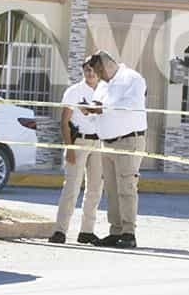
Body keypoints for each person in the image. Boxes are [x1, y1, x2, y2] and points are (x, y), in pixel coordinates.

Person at [81, 50, 147, 249]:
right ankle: (115, 231)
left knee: (126, 187)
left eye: (99, 71)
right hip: (107, 143)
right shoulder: (103, 85)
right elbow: (99, 109)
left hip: (128, 141)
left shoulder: (133, 79)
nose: (98, 76)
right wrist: (89, 109)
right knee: (111, 189)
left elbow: (130, 104)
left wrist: (102, 108)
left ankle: (129, 233)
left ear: (107, 64)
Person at [49, 60, 106, 245]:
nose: (91, 74)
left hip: (98, 142)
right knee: (71, 187)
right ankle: (60, 230)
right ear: (83, 71)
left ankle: (86, 231)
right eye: (88, 70)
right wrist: (70, 148)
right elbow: (64, 121)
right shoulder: (74, 91)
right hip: (79, 141)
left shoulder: (104, 91)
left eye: (94, 71)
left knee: (95, 189)